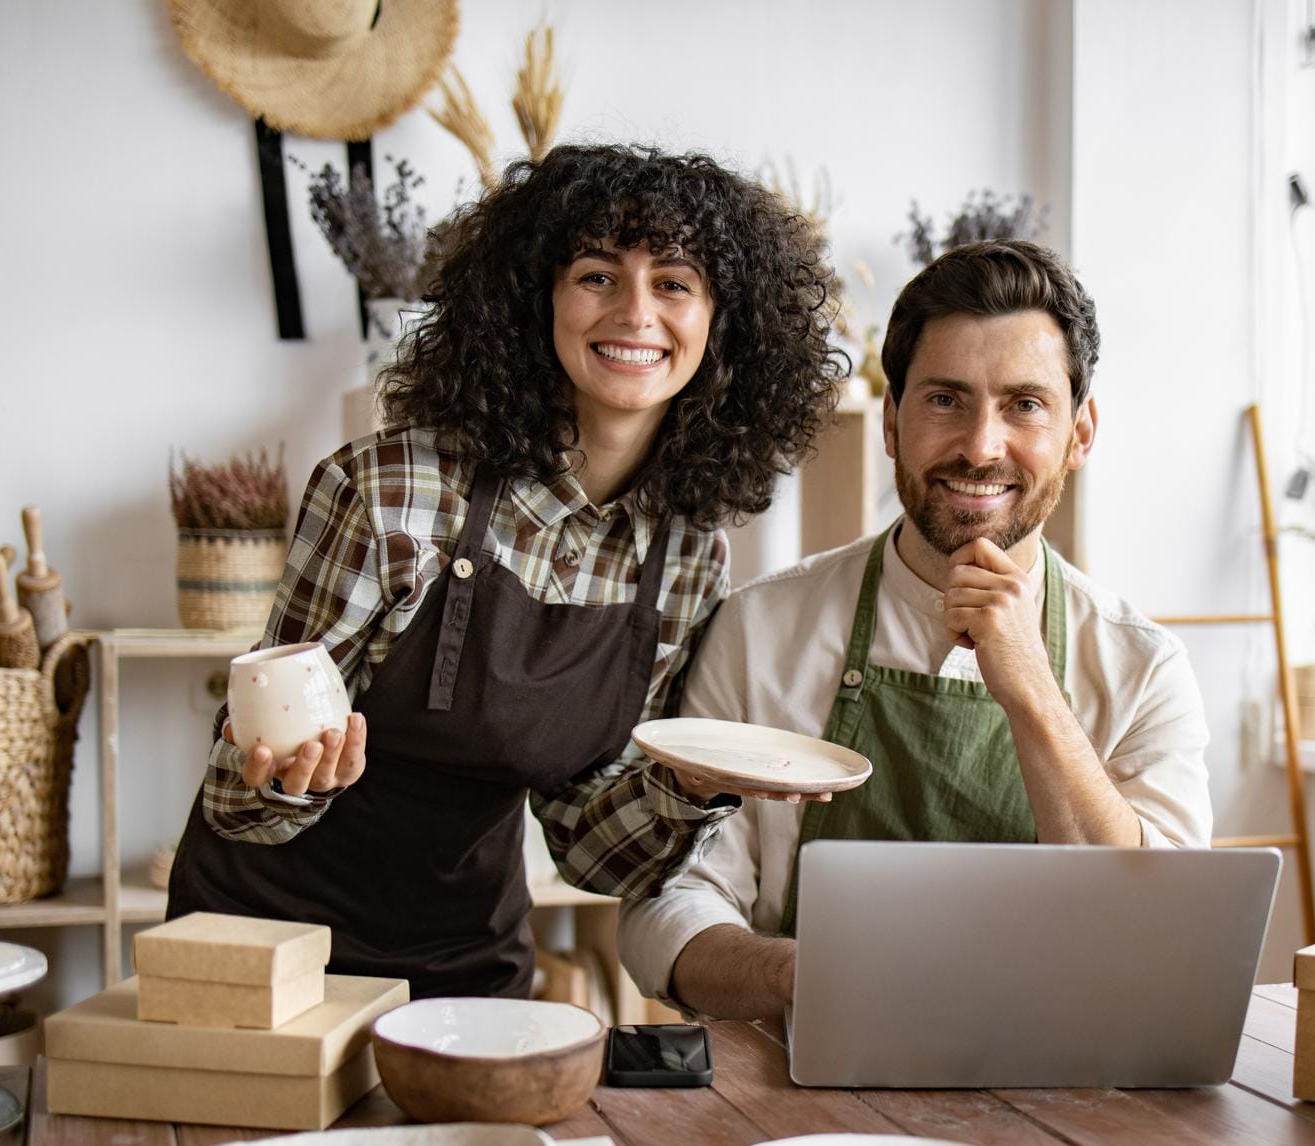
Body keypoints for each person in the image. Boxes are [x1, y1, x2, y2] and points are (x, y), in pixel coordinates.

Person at [167, 144, 846, 1000]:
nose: (636, 312)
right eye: (598, 275)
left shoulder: (684, 557)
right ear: (537, 300)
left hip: (465, 962)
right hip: (262, 946)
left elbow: (590, 847)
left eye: (674, 282)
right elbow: (239, 797)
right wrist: (287, 778)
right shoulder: (388, 491)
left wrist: (690, 786)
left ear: (723, 324)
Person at [617, 239, 1212, 1020]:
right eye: (945, 399)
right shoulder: (760, 628)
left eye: (1025, 404)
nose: (980, 444)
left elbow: (1168, 939)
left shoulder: (1143, 668)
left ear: (1081, 433)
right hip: (797, 1084)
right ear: (891, 421)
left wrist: (1033, 689)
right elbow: (668, 901)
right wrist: (803, 977)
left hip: (1067, 1096)